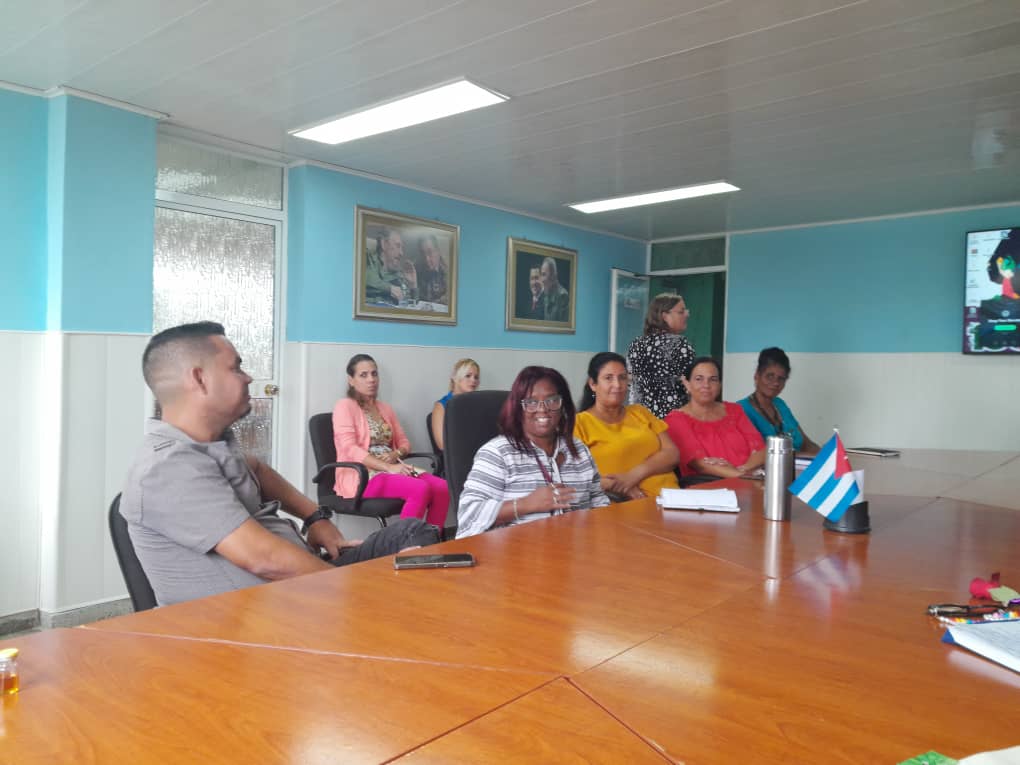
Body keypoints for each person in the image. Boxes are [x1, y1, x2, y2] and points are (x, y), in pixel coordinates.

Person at [120, 322, 439, 607]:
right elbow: (264, 559)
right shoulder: (166, 468)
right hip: (257, 625)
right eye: (236, 367)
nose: (248, 377)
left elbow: (256, 468)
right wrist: (360, 593)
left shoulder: (209, 444)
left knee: (411, 531)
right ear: (199, 379)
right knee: (403, 601)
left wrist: (315, 517)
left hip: (298, 590)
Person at [457, 366, 609, 538]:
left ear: (563, 405)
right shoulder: (498, 453)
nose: (542, 409)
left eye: (552, 400)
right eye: (531, 402)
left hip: (577, 551)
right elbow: (469, 514)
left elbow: (599, 501)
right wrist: (526, 504)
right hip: (516, 556)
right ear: (518, 408)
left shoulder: (578, 449)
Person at [334, 354, 449, 528]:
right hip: (364, 475)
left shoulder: (385, 408)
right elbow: (350, 448)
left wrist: (396, 453)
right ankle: (402, 545)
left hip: (393, 467)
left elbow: (404, 442)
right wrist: (389, 467)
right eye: (363, 375)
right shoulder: (345, 406)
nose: (371, 379)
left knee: (442, 487)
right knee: (419, 488)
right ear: (351, 380)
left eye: (374, 374)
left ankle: (430, 542)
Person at [575, 352, 680, 500]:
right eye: (608, 378)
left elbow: (672, 454)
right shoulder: (580, 424)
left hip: (672, 499)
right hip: (625, 507)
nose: (617, 385)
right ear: (593, 384)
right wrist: (615, 486)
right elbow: (575, 479)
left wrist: (634, 476)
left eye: (622, 377)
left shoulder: (640, 412)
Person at [665, 357, 766, 479]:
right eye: (699, 379)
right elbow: (700, 465)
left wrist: (742, 470)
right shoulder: (676, 420)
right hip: (709, 487)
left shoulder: (735, 410)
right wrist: (743, 477)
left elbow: (762, 450)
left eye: (713, 379)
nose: (706, 385)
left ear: (719, 385)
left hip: (749, 478)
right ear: (687, 384)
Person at [738, 347, 820, 454]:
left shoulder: (780, 405)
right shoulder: (740, 410)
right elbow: (755, 456)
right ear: (757, 376)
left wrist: (827, 457)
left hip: (800, 467)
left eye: (781, 378)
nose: (776, 383)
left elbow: (806, 444)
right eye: (770, 376)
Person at [626, 293, 696, 419]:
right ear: (664, 316)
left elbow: (631, 382)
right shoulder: (679, 344)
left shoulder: (636, 344)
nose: (687, 314)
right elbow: (693, 385)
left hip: (639, 418)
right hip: (672, 419)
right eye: (681, 312)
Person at [430, 358, 481, 450]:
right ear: (456, 378)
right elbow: (442, 445)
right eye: (468, 376)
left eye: (476, 377)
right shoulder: (441, 406)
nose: (473, 380)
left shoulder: (479, 404)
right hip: (457, 456)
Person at [365, 227, 416, 305]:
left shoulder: (399, 275)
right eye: (398, 246)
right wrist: (390, 289)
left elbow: (411, 308)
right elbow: (363, 280)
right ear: (384, 244)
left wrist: (413, 285)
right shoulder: (366, 258)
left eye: (402, 248)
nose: (401, 253)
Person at [417, 234, 448, 305]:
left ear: (438, 252)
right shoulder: (416, 272)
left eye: (430, 252)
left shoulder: (448, 273)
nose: (426, 259)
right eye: (422, 253)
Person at [540, 257, 570, 322]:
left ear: (553, 276)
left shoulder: (563, 296)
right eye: (541, 274)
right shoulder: (546, 295)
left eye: (544, 274)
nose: (541, 280)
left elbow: (562, 329)